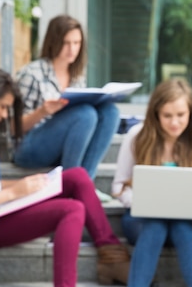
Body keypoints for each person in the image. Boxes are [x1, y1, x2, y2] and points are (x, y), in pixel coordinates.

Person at [0, 67, 130, 287]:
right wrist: (14, 193)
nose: (4, 115)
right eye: (2, 107)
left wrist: (28, 184)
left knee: (78, 176)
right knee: (71, 210)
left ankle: (111, 254)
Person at [111, 78, 192, 287]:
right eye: (167, 116)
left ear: (190, 113)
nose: (174, 122)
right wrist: (141, 202)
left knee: (183, 227)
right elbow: (118, 186)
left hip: (184, 221)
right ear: (156, 113)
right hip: (141, 221)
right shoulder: (137, 136)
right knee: (155, 224)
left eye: (181, 115)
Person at [13, 14, 120, 201]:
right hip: (30, 147)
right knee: (85, 114)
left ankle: (85, 183)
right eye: (66, 43)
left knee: (110, 112)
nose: (72, 50)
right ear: (54, 42)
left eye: (77, 43)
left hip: (64, 145)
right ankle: (69, 185)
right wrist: (42, 112)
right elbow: (13, 128)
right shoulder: (32, 74)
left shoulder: (77, 76)